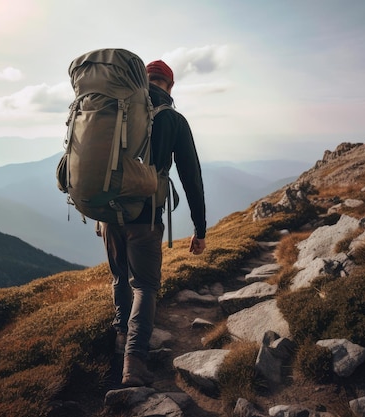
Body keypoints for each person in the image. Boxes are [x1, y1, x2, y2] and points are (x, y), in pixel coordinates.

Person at [100, 59, 207, 387]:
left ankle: (122, 336)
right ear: (170, 86)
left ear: (142, 81)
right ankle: (134, 362)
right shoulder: (173, 120)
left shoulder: (117, 109)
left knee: (120, 275)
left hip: (107, 212)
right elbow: (191, 177)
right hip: (144, 216)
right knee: (144, 285)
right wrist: (199, 229)